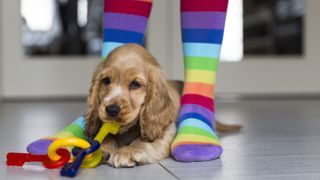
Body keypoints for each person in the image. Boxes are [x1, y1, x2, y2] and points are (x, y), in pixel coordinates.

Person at [27, 0, 229, 162]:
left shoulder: (157, 96)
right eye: (106, 80)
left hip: (162, 115)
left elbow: (160, 134)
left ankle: (197, 108)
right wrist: (107, 143)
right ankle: (89, 126)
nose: (114, 103)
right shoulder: (107, 100)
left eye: (134, 84)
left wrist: (140, 147)